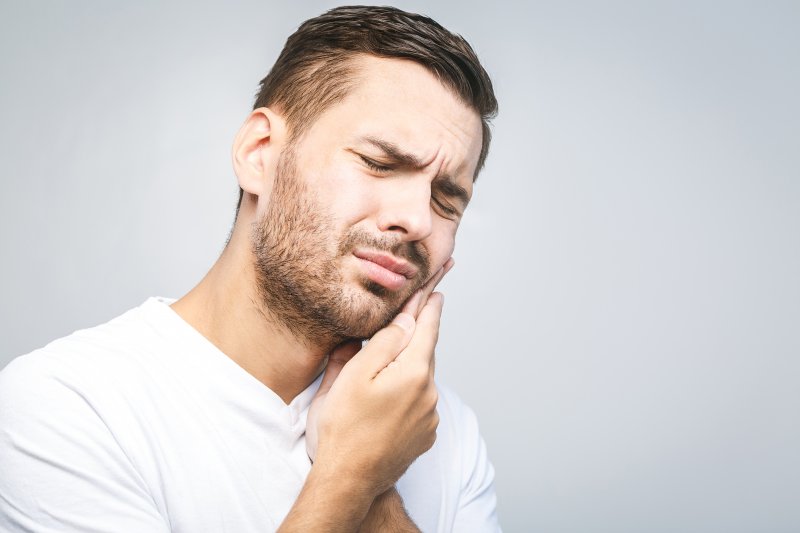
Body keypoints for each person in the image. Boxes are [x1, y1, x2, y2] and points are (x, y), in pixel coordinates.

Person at [0, 5, 500, 532]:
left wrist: (380, 485)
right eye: (379, 163)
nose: (419, 219)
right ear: (260, 153)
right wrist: (354, 474)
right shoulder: (65, 408)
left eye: (447, 199)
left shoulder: (439, 429)